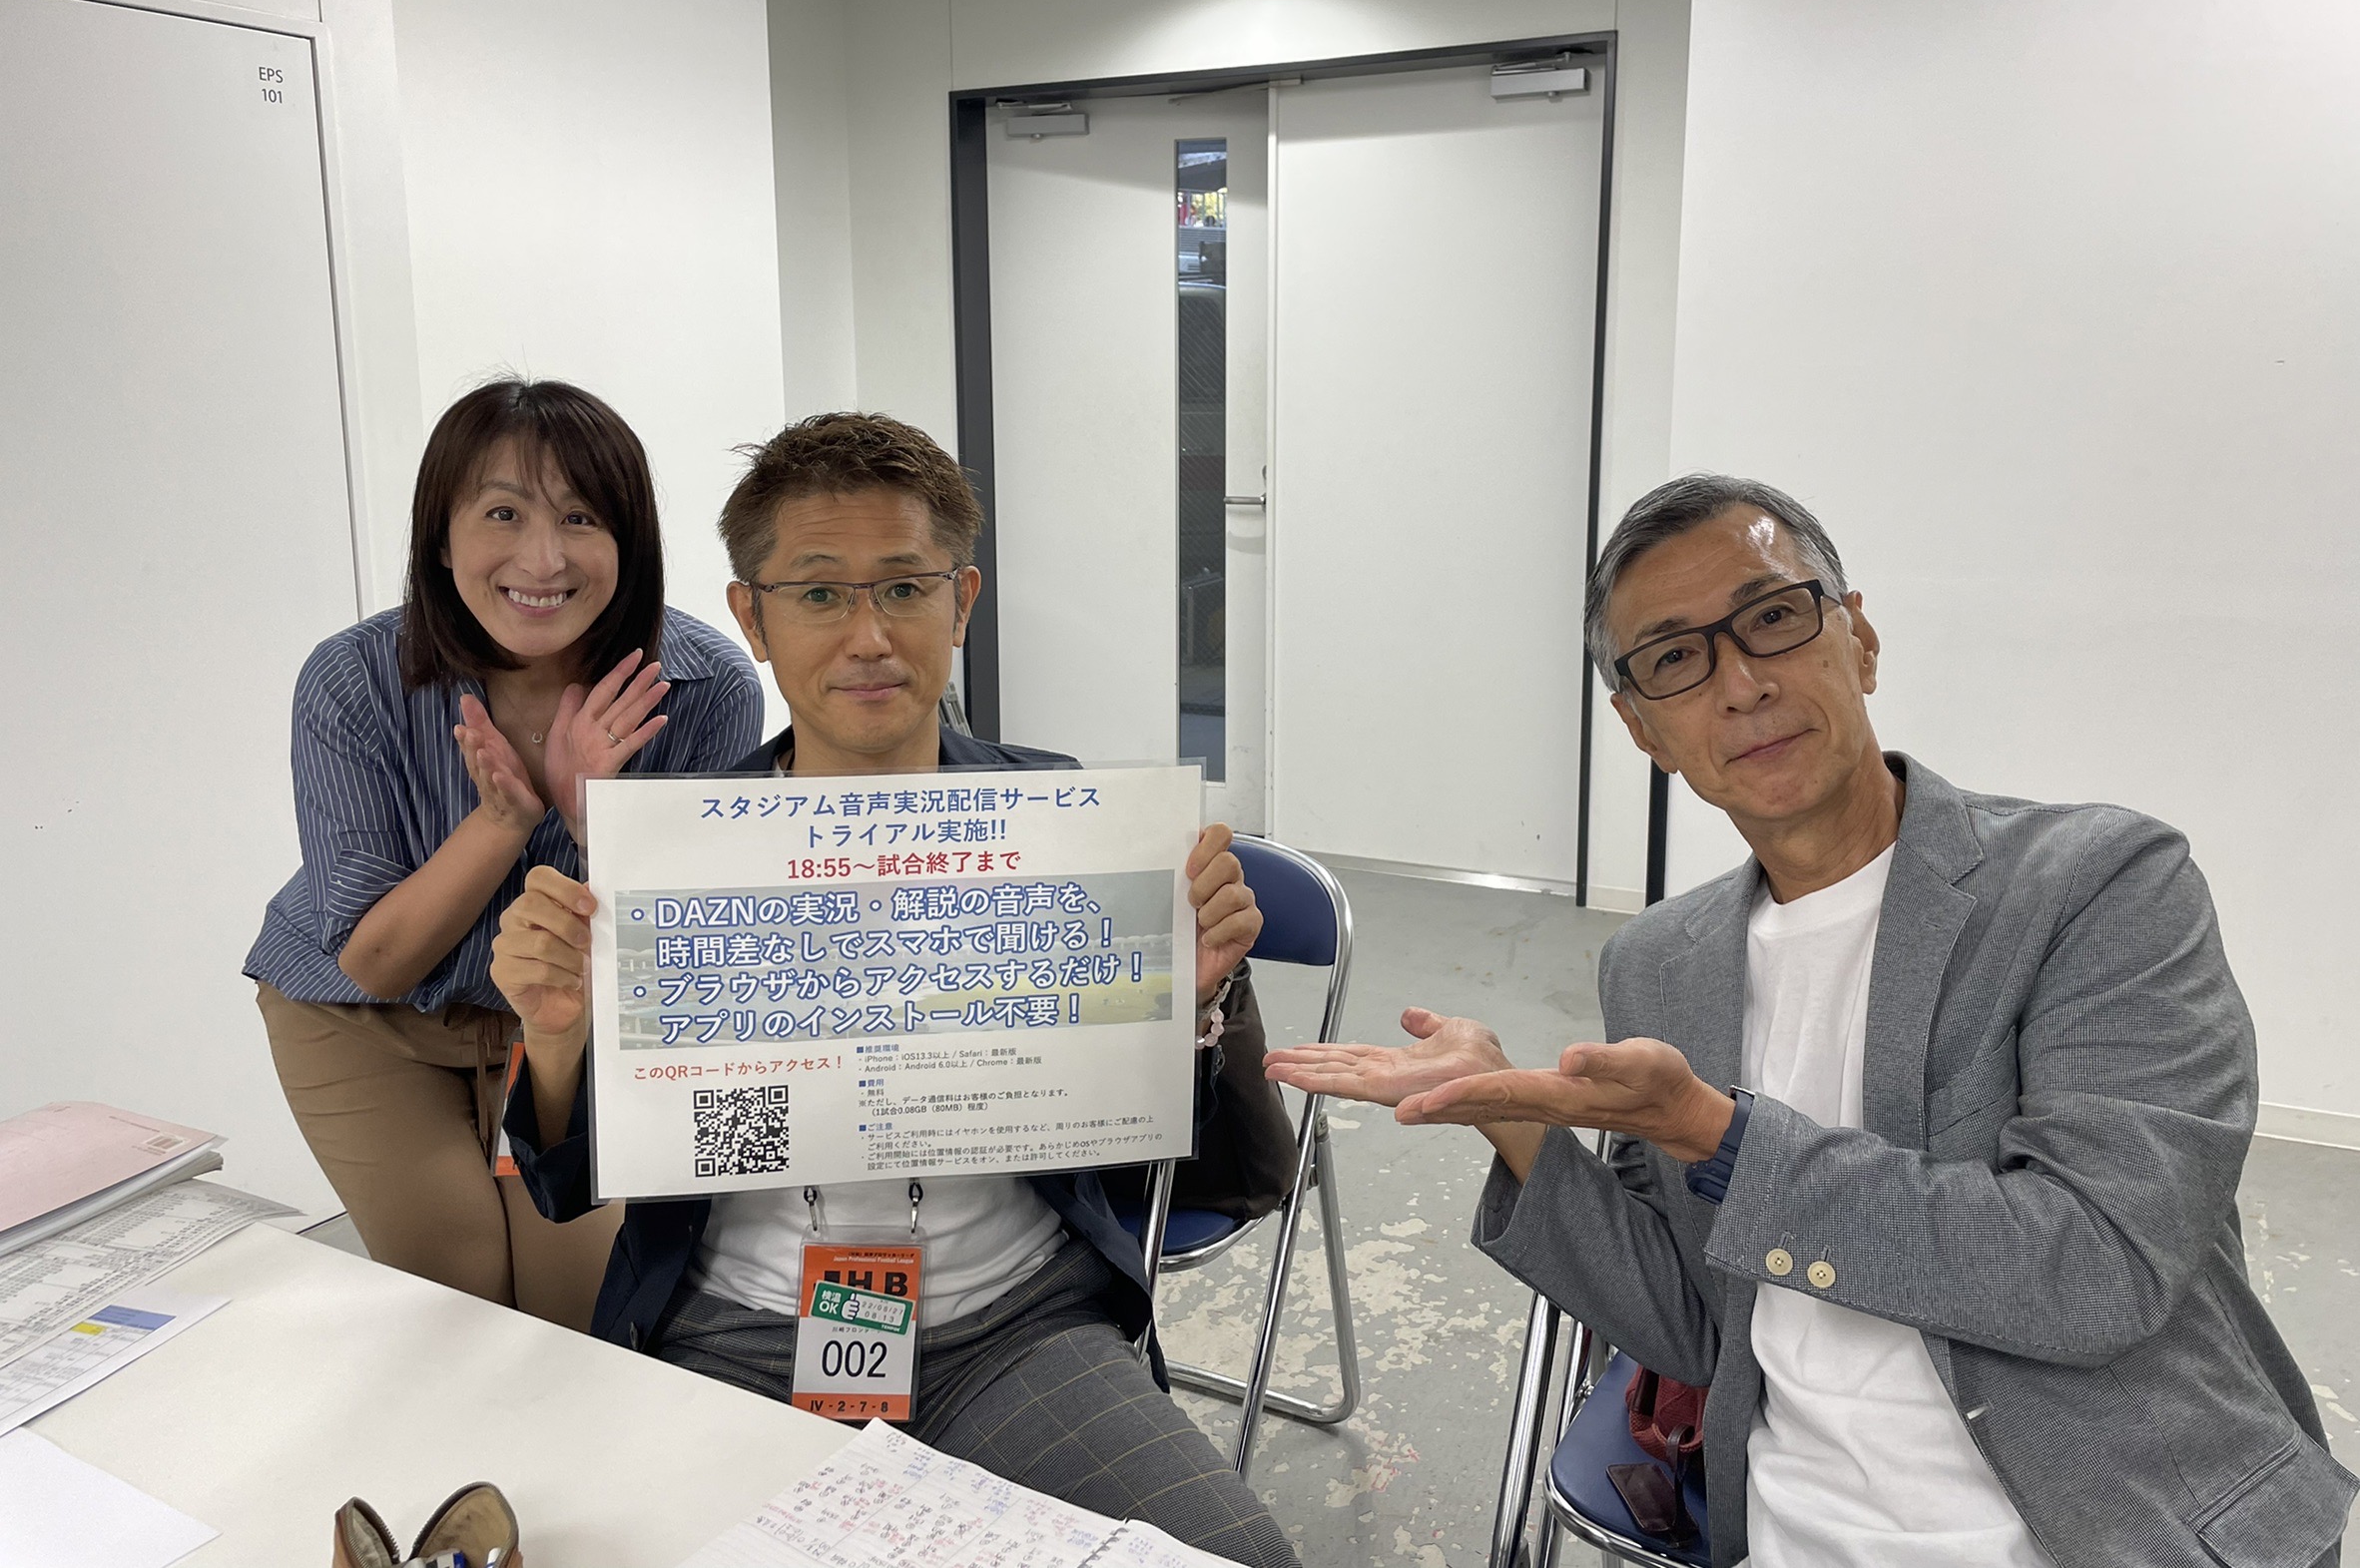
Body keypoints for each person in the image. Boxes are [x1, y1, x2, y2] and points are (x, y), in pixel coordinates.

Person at [1267, 475, 2358, 1568]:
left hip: (2116, 1524)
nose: (1741, 684)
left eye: (1774, 617)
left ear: (1860, 641)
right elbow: (1694, 1325)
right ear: (1643, 728)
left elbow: (2098, 1268)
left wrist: (1720, 1138)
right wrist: (1506, 1113)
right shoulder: (1656, 965)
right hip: (1796, 1533)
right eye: (1676, 659)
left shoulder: (2099, 884)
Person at [487, 412, 1297, 1568]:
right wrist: (558, 1036)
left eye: (905, 588)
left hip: (1019, 1328)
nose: (868, 635)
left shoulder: (1065, 826)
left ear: (961, 602)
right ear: (752, 618)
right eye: (819, 593)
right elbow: (567, 1186)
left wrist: (1193, 1003)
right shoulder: (675, 855)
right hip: (735, 1335)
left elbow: (1204, 1167)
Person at [247, 378, 763, 1327]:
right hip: (366, 1020)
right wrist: (508, 818)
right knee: (460, 1294)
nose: (543, 557)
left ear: (630, 542)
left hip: (568, 1022)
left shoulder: (703, 688)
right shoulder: (353, 679)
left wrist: (598, 819)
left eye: (580, 517)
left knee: (581, 1308)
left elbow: (682, 953)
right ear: (441, 541)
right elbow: (376, 959)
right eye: (502, 513)